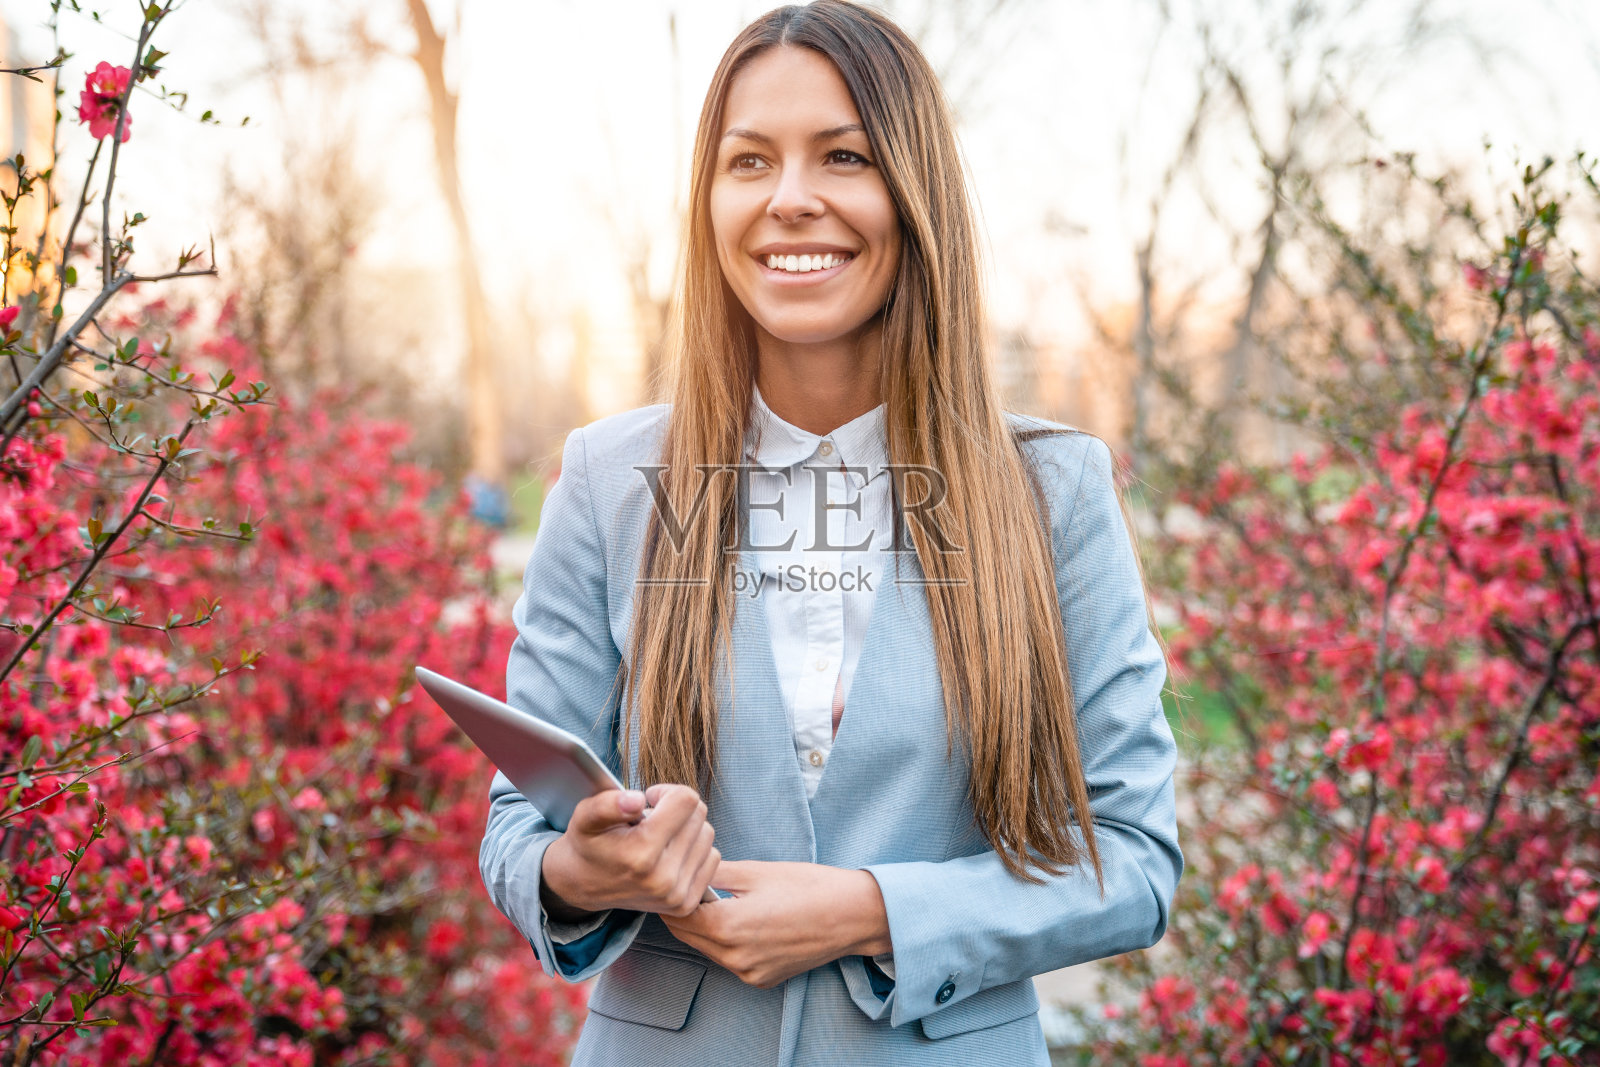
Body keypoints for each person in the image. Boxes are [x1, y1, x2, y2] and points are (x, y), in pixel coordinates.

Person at [477, 2, 1182, 1063]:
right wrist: (579, 870)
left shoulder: (1055, 490)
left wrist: (868, 908)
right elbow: (514, 835)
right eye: (748, 161)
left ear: (911, 189)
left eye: (842, 156)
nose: (791, 199)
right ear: (709, 201)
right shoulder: (610, 477)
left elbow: (1130, 860)